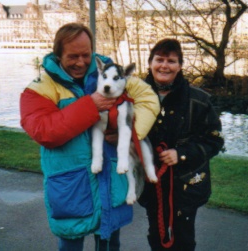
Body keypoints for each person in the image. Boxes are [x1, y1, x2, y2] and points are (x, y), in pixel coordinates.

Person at [20, 22, 160, 251]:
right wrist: (90, 105)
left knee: (110, 243)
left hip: (113, 181)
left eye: (86, 55)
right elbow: (43, 131)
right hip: (71, 187)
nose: (81, 62)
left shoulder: (108, 72)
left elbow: (148, 98)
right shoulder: (39, 88)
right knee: (70, 243)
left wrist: (130, 132)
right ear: (58, 54)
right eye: (72, 56)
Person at [138, 38, 224, 251]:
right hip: (151, 183)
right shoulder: (136, 96)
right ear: (150, 62)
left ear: (180, 65)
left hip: (186, 185)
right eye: (159, 59)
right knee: (156, 235)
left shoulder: (199, 100)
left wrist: (181, 154)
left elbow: (215, 140)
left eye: (171, 61)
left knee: (183, 239)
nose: (164, 66)